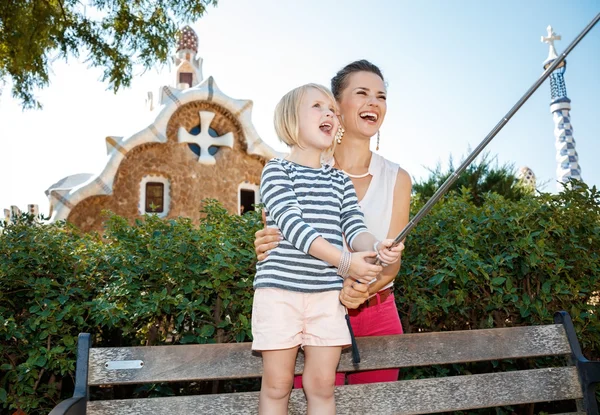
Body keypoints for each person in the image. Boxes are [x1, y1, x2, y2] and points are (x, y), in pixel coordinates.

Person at [254, 60, 412, 387]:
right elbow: (280, 235)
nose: (374, 103)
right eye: (362, 93)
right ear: (337, 106)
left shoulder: (397, 178)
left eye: (381, 96)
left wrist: (365, 282)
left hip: (376, 311)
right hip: (306, 302)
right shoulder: (290, 167)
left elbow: (387, 260)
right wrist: (266, 243)